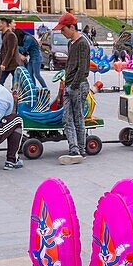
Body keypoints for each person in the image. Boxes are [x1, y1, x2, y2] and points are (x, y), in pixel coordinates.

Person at [58, 12, 90, 165]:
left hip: (78, 85)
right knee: (67, 117)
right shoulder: (71, 43)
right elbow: (70, 66)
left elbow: (83, 69)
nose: (62, 33)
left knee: (78, 117)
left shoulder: (82, 43)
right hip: (70, 84)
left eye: (63, 30)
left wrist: (74, 86)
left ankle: (80, 149)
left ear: (72, 27)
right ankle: (74, 148)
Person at [0, 17, 20, 85]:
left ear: (4, 24)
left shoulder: (10, 35)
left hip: (12, 64)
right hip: (8, 64)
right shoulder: (4, 34)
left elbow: (10, 51)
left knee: (17, 84)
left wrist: (4, 64)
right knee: (0, 81)